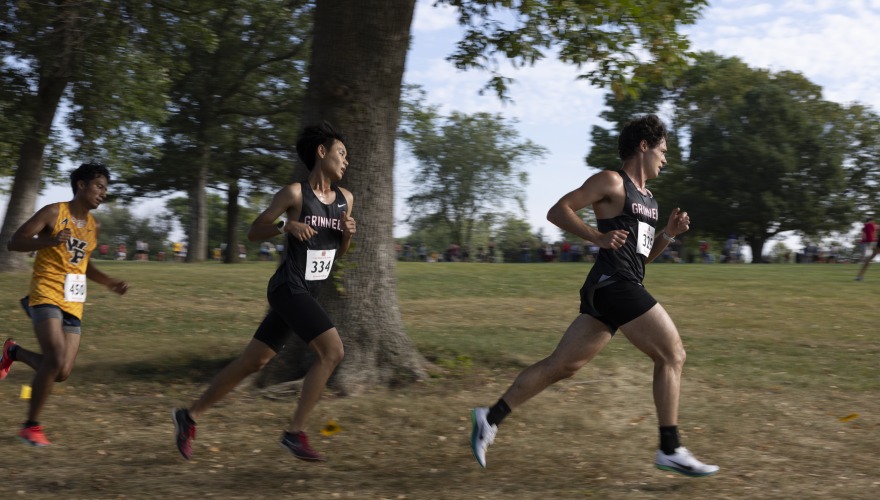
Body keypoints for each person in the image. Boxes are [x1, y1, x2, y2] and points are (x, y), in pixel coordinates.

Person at [469, 115, 719, 477]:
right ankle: (669, 447)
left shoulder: (649, 200)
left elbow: (643, 257)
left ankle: (489, 418)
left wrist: (668, 233)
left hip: (619, 283)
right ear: (643, 146)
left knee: (562, 365)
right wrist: (596, 237)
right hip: (615, 284)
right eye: (663, 150)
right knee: (672, 354)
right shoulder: (611, 181)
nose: (666, 159)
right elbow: (558, 210)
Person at [172, 122, 356, 462]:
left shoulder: (346, 200)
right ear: (322, 152)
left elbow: (337, 253)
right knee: (332, 352)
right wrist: (287, 225)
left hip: (308, 293)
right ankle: (294, 433)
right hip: (288, 288)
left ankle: (189, 416)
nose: (346, 161)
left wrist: (346, 234)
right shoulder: (295, 194)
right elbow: (254, 231)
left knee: (254, 361)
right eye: (341, 153)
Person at [0, 163, 129, 446]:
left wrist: (109, 282)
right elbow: (14, 241)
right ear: (81, 185)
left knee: (61, 371)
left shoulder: (94, 225)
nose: (103, 193)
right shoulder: (54, 212)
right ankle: (30, 426)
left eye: (106, 189)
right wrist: (48, 240)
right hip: (46, 292)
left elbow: (84, 264)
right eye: (98, 186)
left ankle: (14, 351)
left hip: (73, 300)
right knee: (55, 358)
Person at [856, 216, 879, 281]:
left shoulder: (868, 225)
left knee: (869, 256)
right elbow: (864, 233)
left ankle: (860, 276)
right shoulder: (869, 225)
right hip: (868, 242)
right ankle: (860, 275)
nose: (874, 221)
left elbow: (874, 232)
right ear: (870, 220)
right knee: (869, 256)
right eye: (873, 220)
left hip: (871, 242)